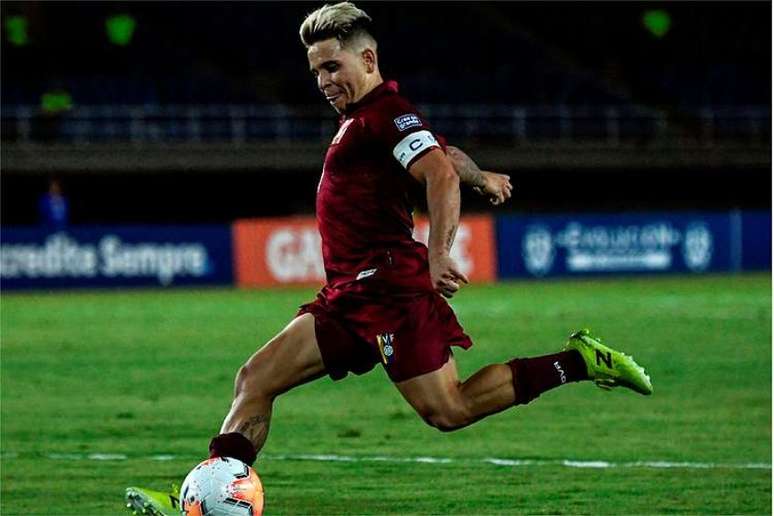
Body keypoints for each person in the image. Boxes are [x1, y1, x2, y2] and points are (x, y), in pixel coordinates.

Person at [126, 3, 652, 513]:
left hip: (390, 291)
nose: (323, 80)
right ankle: (203, 497)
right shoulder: (367, 119)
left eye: (333, 66)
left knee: (450, 410)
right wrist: (484, 175)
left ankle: (579, 361)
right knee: (256, 379)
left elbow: (438, 173)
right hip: (348, 296)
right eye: (315, 71)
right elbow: (446, 157)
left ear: (369, 61)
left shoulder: (385, 114)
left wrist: (437, 254)